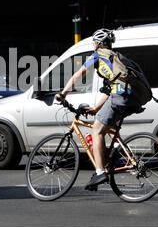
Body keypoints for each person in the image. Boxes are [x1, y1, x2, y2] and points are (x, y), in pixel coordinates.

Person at [55, 28, 142, 190]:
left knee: (96, 129)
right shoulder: (115, 60)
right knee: (109, 127)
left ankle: (100, 171)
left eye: (95, 42)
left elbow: (77, 75)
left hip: (121, 96)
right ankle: (118, 157)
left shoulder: (99, 55)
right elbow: (109, 91)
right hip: (133, 98)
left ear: (99, 43)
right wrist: (96, 108)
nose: (94, 45)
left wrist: (63, 93)